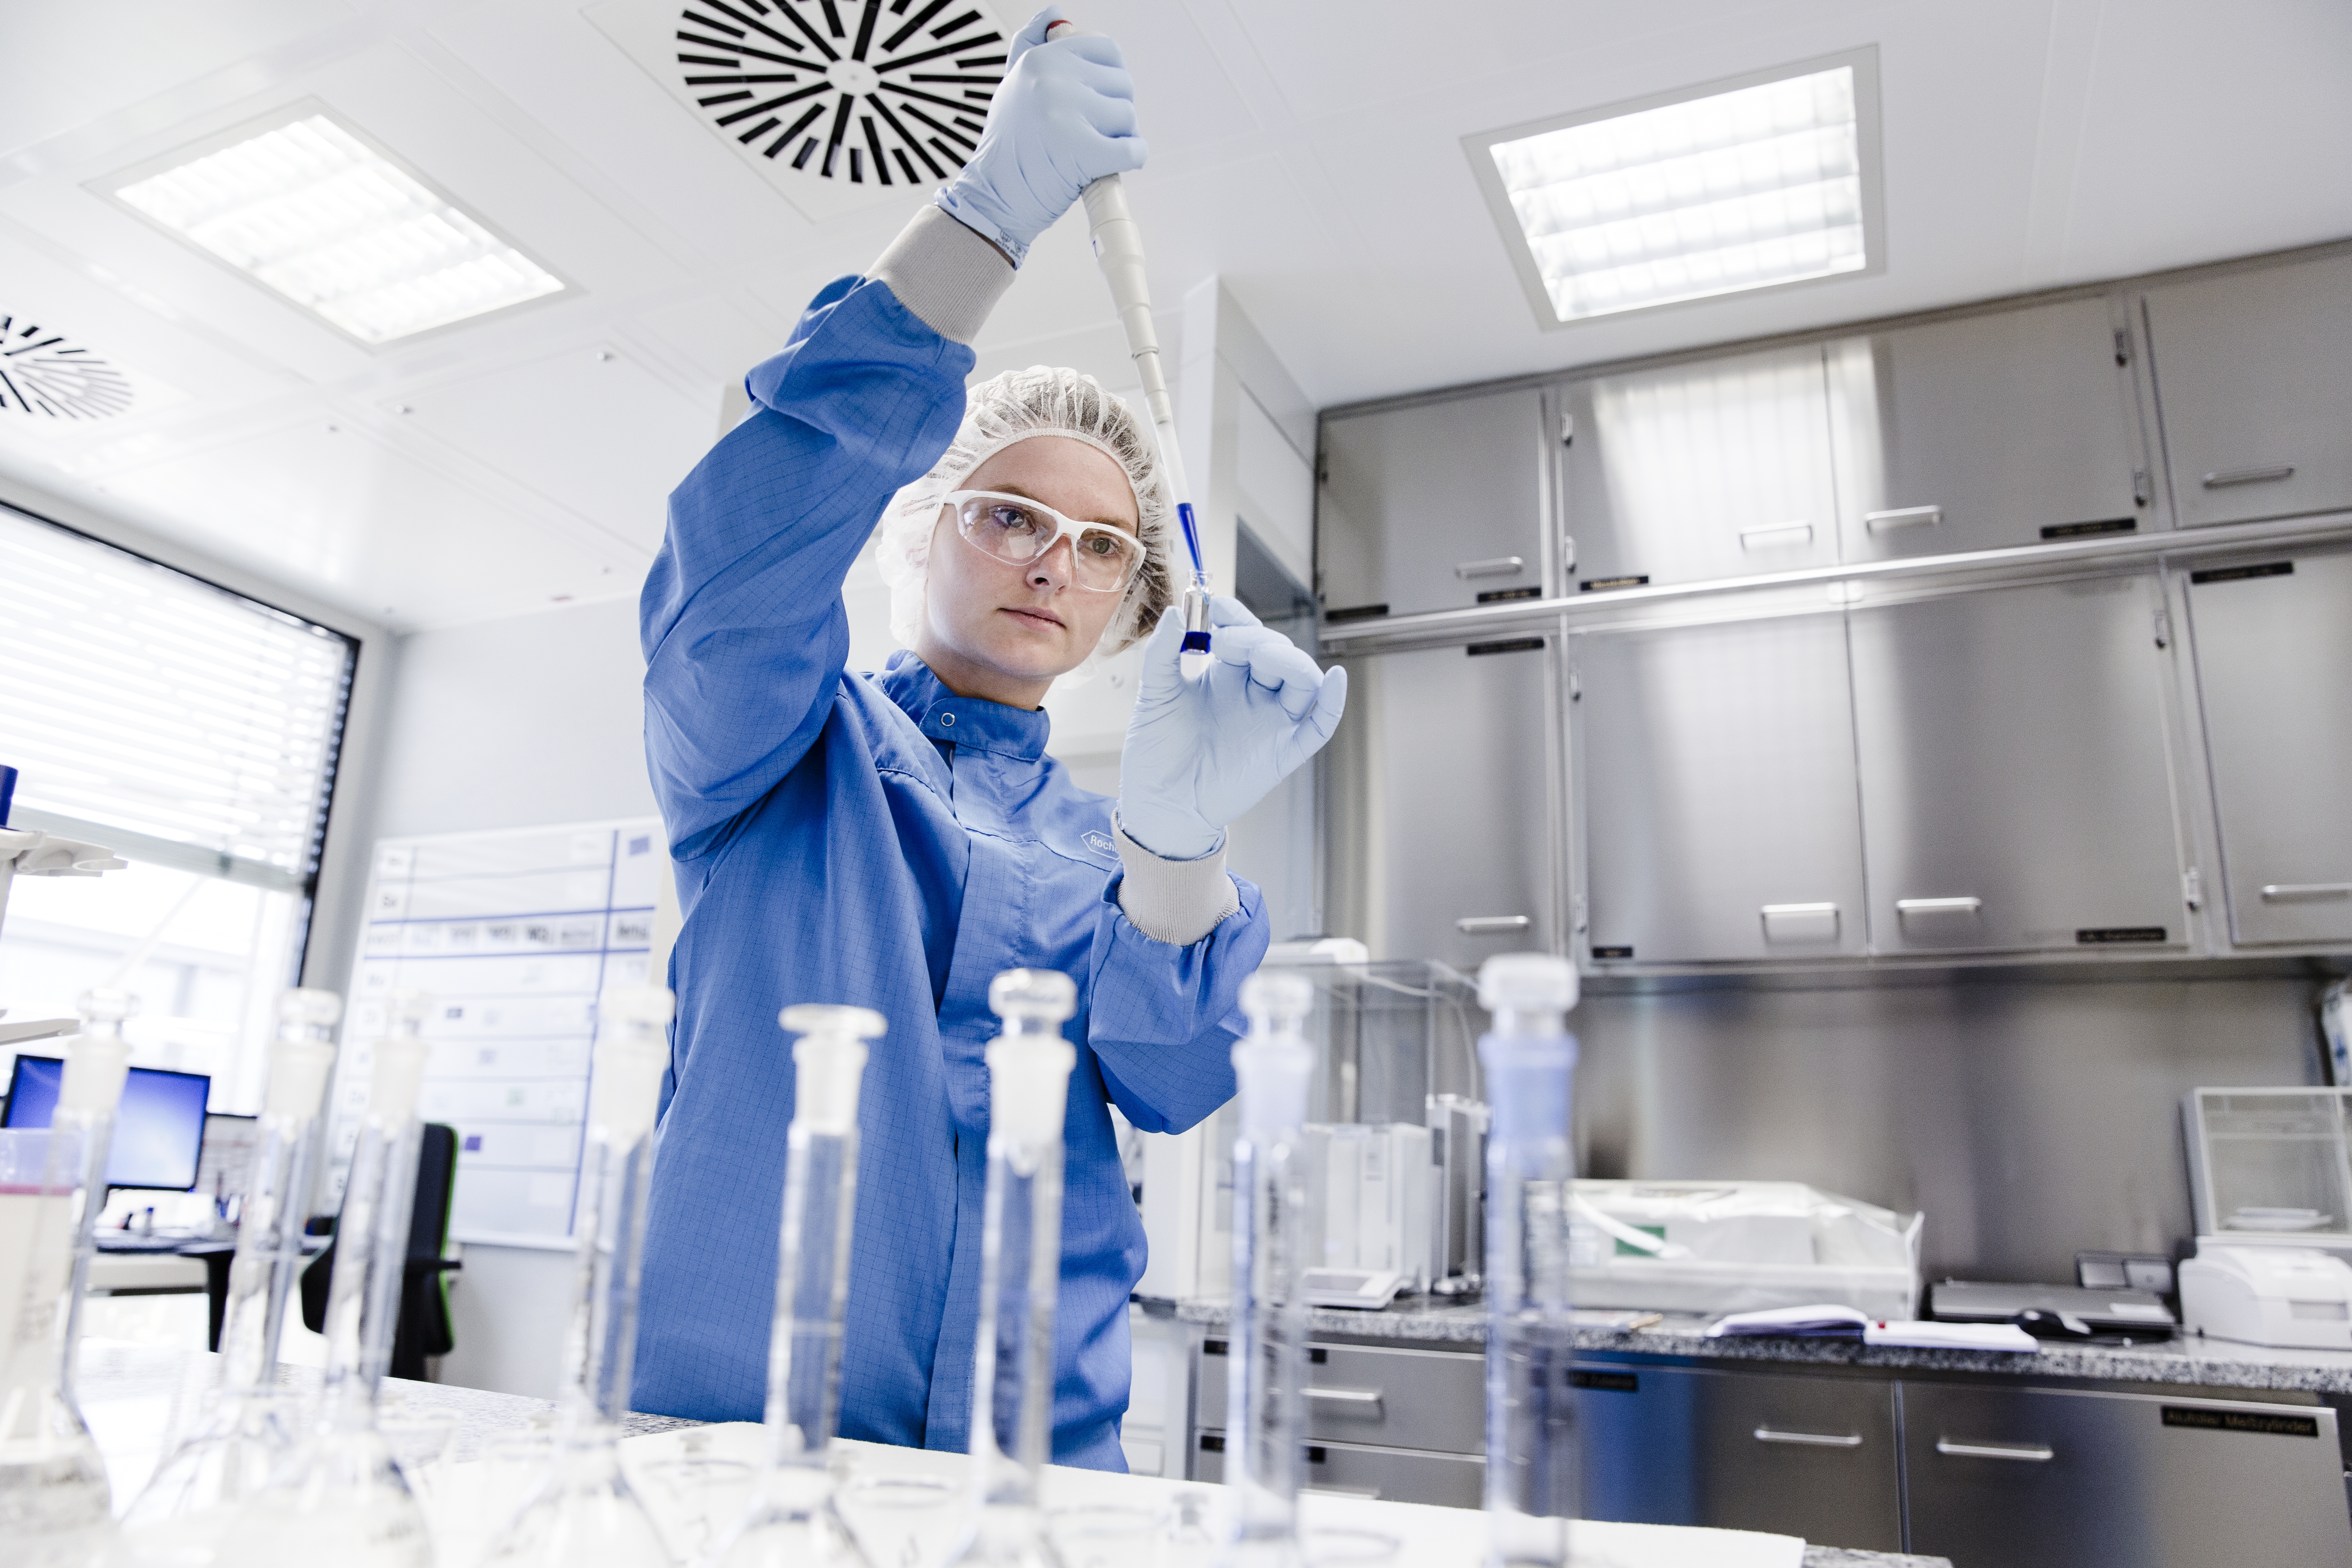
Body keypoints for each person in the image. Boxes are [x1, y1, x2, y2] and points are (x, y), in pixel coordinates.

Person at [631, 7, 1347, 1471]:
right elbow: (732, 575)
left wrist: (1179, 853)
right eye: (1011, 515)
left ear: (1131, 604)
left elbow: (1173, 1076)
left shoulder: (1109, 851)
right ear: (917, 522)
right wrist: (981, 227)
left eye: (1101, 546)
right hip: (742, 1436)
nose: (1053, 563)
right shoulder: (775, 754)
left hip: (1043, 1448)